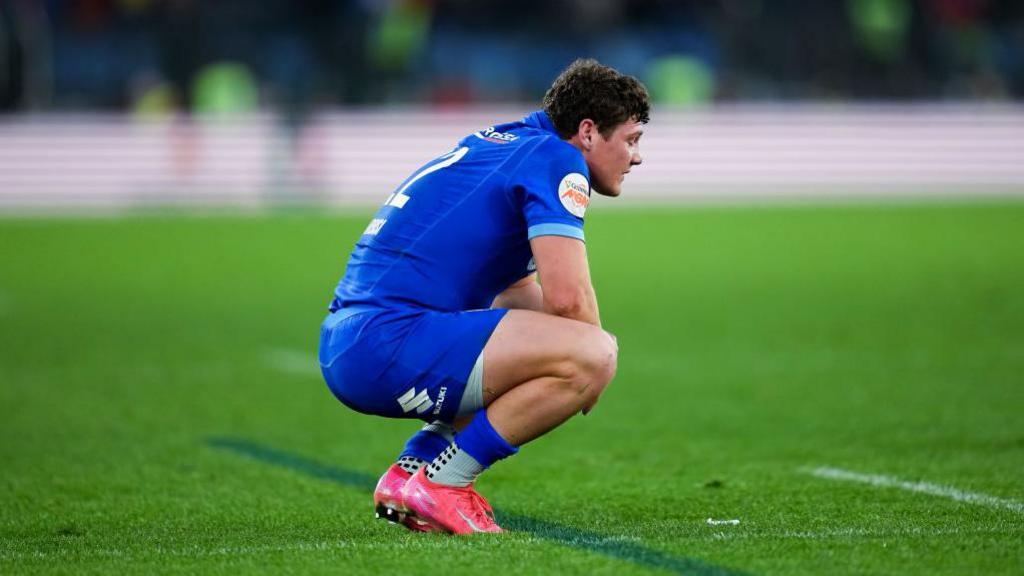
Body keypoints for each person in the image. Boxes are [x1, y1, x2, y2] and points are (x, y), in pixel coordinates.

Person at [319, 59, 649, 534]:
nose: (636, 157)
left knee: (563, 350)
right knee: (590, 354)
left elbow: (514, 291)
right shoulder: (559, 160)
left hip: (354, 340)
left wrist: (571, 354)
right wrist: (591, 366)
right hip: (388, 340)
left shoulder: (503, 140)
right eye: (632, 140)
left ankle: (414, 469)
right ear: (589, 132)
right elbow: (567, 300)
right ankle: (445, 484)